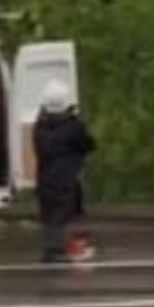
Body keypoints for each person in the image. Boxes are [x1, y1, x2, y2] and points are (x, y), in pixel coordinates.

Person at [32, 80, 95, 263]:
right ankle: (58, 248)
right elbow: (88, 144)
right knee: (65, 214)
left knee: (49, 213)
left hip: (44, 176)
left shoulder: (39, 127)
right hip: (66, 177)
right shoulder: (73, 127)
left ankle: (53, 247)